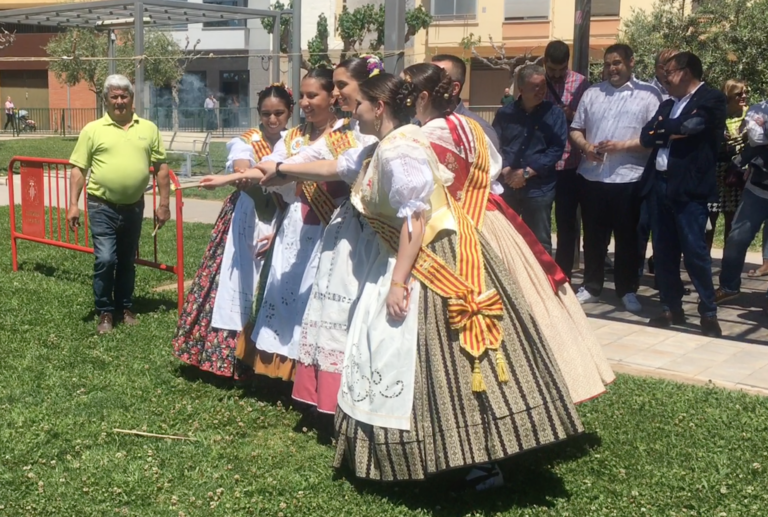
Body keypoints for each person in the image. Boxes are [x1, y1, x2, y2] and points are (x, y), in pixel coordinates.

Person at [261, 73, 583, 485]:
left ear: (378, 108)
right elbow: (334, 167)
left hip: (430, 260)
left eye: (358, 104)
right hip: (406, 256)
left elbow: (416, 217)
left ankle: (476, 457)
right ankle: (428, 451)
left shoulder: (400, 151)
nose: (351, 111)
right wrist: (282, 167)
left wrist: (398, 281)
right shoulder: (384, 145)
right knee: (400, 355)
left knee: (437, 355)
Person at [409, 62, 615, 405]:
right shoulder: (471, 125)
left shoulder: (420, 136)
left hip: (452, 223)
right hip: (490, 216)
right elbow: (491, 169)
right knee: (523, 292)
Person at [241, 55, 384, 420]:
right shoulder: (296, 137)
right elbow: (277, 168)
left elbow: (334, 171)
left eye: (315, 95)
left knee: (324, 307)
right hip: (297, 226)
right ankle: (278, 371)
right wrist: (237, 176)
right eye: (302, 96)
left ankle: (321, 384)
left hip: (335, 231)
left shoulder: (352, 133)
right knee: (285, 295)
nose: (307, 103)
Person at [172, 83, 294, 379]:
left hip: (283, 216)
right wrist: (239, 175)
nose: (273, 119)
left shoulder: (296, 140)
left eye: (279, 113)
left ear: (290, 112)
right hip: (247, 215)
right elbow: (242, 164)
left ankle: (267, 361)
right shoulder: (247, 140)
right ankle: (227, 356)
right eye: (266, 114)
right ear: (258, 114)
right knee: (235, 278)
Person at [66, 74, 170, 334]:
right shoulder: (92, 130)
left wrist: (164, 204)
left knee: (126, 260)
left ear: (132, 99)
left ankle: (124, 306)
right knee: (105, 259)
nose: (120, 101)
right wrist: (73, 204)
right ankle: (104, 311)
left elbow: (161, 168)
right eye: (114, 96)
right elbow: (78, 169)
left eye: (124, 96)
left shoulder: (148, 128)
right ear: (106, 100)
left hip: (134, 206)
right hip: (102, 206)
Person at [640, 52, 727, 337]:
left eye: (670, 71)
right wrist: (669, 130)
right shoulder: (667, 104)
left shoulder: (710, 98)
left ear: (687, 72)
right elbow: (645, 136)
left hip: (690, 189)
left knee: (694, 251)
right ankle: (670, 307)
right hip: (660, 185)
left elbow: (694, 126)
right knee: (664, 252)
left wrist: (663, 129)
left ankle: (708, 312)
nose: (665, 76)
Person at [570, 44, 661, 313]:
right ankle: (592, 286)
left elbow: (654, 138)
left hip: (629, 179)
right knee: (594, 238)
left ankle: (627, 289)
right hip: (593, 177)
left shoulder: (649, 95)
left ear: (632, 63)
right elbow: (575, 129)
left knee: (628, 239)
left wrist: (621, 146)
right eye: (608, 63)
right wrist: (586, 147)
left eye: (618, 63)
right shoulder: (592, 93)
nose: (612, 68)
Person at [493, 64, 567, 255]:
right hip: (508, 185)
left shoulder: (554, 114)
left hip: (539, 189)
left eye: (543, 86)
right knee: (506, 239)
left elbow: (556, 150)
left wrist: (526, 173)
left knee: (539, 242)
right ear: (521, 88)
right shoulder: (505, 114)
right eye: (535, 87)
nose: (540, 91)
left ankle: (544, 283)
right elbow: (495, 146)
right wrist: (507, 170)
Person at [542, 41, 590, 278]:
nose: (557, 74)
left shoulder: (581, 83)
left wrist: (570, 114)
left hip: (570, 166)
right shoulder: (536, 81)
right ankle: (538, 271)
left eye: (562, 69)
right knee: (539, 223)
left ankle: (563, 274)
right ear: (544, 63)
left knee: (566, 224)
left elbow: (587, 121)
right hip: (541, 166)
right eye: (552, 70)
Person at [706, 79, 748, 252]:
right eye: (739, 94)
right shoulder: (716, 116)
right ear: (728, 96)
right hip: (715, 172)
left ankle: (729, 261)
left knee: (733, 220)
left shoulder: (751, 116)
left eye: (746, 92)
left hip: (738, 174)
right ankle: (704, 260)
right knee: (710, 217)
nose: (744, 96)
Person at [430, 54, 500, 152]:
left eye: (435, 80)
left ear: (454, 88)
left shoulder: (479, 130)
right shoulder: (417, 124)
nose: (427, 85)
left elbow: (491, 166)